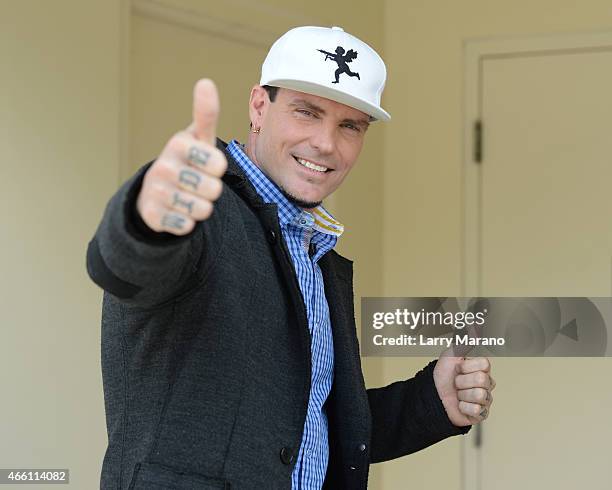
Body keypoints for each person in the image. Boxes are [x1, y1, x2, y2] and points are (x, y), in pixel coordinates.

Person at [86, 26, 495, 489]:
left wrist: (432, 401)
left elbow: (304, 432)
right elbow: (125, 266)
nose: (326, 142)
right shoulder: (203, 213)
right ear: (259, 107)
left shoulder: (314, 253)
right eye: (307, 112)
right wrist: (145, 221)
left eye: (350, 126)